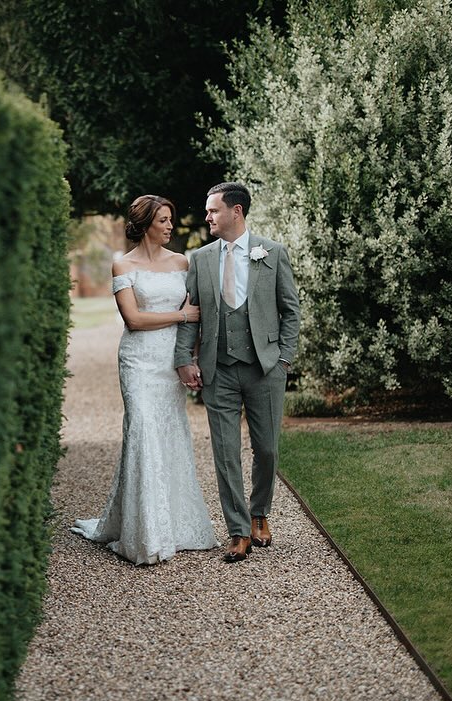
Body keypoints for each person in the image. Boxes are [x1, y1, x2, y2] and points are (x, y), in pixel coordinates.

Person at [72, 195, 218, 565]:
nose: (171, 226)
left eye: (171, 219)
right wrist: (181, 316)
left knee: (170, 433)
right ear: (146, 224)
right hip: (138, 362)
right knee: (142, 431)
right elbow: (134, 320)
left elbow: (195, 316)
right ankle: (144, 532)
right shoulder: (122, 265)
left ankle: (175, 526)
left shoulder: (182, 262)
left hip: (170, 362)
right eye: (164, 220)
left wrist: (190, 357)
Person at [174, 182, 300, 563]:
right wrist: (185, 358)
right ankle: (238, 530)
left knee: (267, 449)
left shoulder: (273, 253)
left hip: (265, 368)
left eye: (213, 210)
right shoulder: (200, 259)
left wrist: (284, 360)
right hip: (218, 369)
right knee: (225, 452)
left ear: (236, 212)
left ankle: (260, 512)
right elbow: (190, 314)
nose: (208, 216)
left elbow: (290, 311)